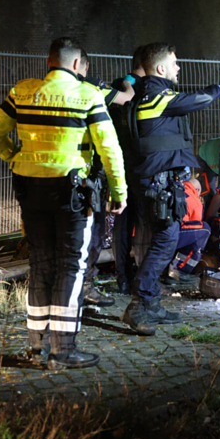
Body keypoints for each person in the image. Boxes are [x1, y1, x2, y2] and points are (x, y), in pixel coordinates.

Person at [0, 37, 126, 369]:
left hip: (30, 190)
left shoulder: (23, 92)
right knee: (71, 266)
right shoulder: (87, 95)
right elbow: (109, 148)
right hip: (71, 194)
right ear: (76, 65)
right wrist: (119, 192)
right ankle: (63, 350)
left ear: (50, 62)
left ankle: (36, 348)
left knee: (41, 265)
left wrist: (15, 156)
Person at [123, 42, 220, 335]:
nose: (178, 68)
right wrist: (217, 89)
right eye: (175, 63)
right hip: (158, 183)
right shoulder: (156, 97)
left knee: (161, 240)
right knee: (166, 241)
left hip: (158, 182)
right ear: (160, 68)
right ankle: (139, 304)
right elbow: (198, 99)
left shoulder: (146, 95)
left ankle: (151, 304)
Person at [77, 48, 135, 308]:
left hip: (51, 174)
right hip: (90, 176)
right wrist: (129, 81)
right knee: (95, 232)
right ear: (83, 66)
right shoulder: (92, 89)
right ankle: (85, 286)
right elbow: (126, 98)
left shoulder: (42, 92)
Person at [108, 46, 147, 296]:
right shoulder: (129, 87)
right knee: (138, 224)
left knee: (125, 225)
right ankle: (138, 278)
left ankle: (126, 276)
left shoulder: (120, 86)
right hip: (134, 166)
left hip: (125, 166)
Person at [167, 176, 210, 287]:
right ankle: (180, 270)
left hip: (163, 231)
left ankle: (171, 269)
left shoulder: (175, 190)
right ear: (198, 190)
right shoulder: (195, 200)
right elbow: (195, 228)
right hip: (175, 233)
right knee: (204, 230)